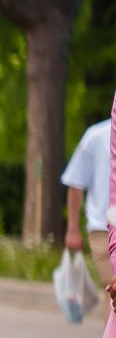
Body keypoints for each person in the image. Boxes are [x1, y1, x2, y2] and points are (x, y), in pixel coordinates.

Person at [62, 112, 113, 290]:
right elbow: (76, 183)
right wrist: (73, 230)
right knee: (112, 292)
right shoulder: (96, 136)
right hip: (103, 229)